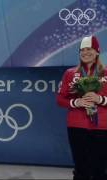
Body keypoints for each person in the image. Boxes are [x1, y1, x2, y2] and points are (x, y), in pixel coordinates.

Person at [56, 35, 107, 180]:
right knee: (81, 169)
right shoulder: (70, 74)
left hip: (102, 127)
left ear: (97, 51)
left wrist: (100, 99)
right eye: (82, 50)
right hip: (77, 126)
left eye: (89, 49)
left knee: (100, 169)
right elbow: (60, 99)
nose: (85, 52)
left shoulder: (106, 73)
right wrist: (76, 102)